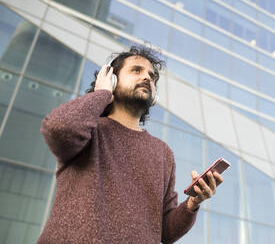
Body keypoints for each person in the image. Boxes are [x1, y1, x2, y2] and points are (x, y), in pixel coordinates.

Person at [38, 45, 224, 244]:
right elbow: (59, 128)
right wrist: (102, 94)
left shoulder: (163, 152)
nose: (147, 78)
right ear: (112, 79)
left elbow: (166, 232)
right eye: (136, 70)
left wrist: (193, 203)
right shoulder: (88, 130)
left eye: (151, 76)